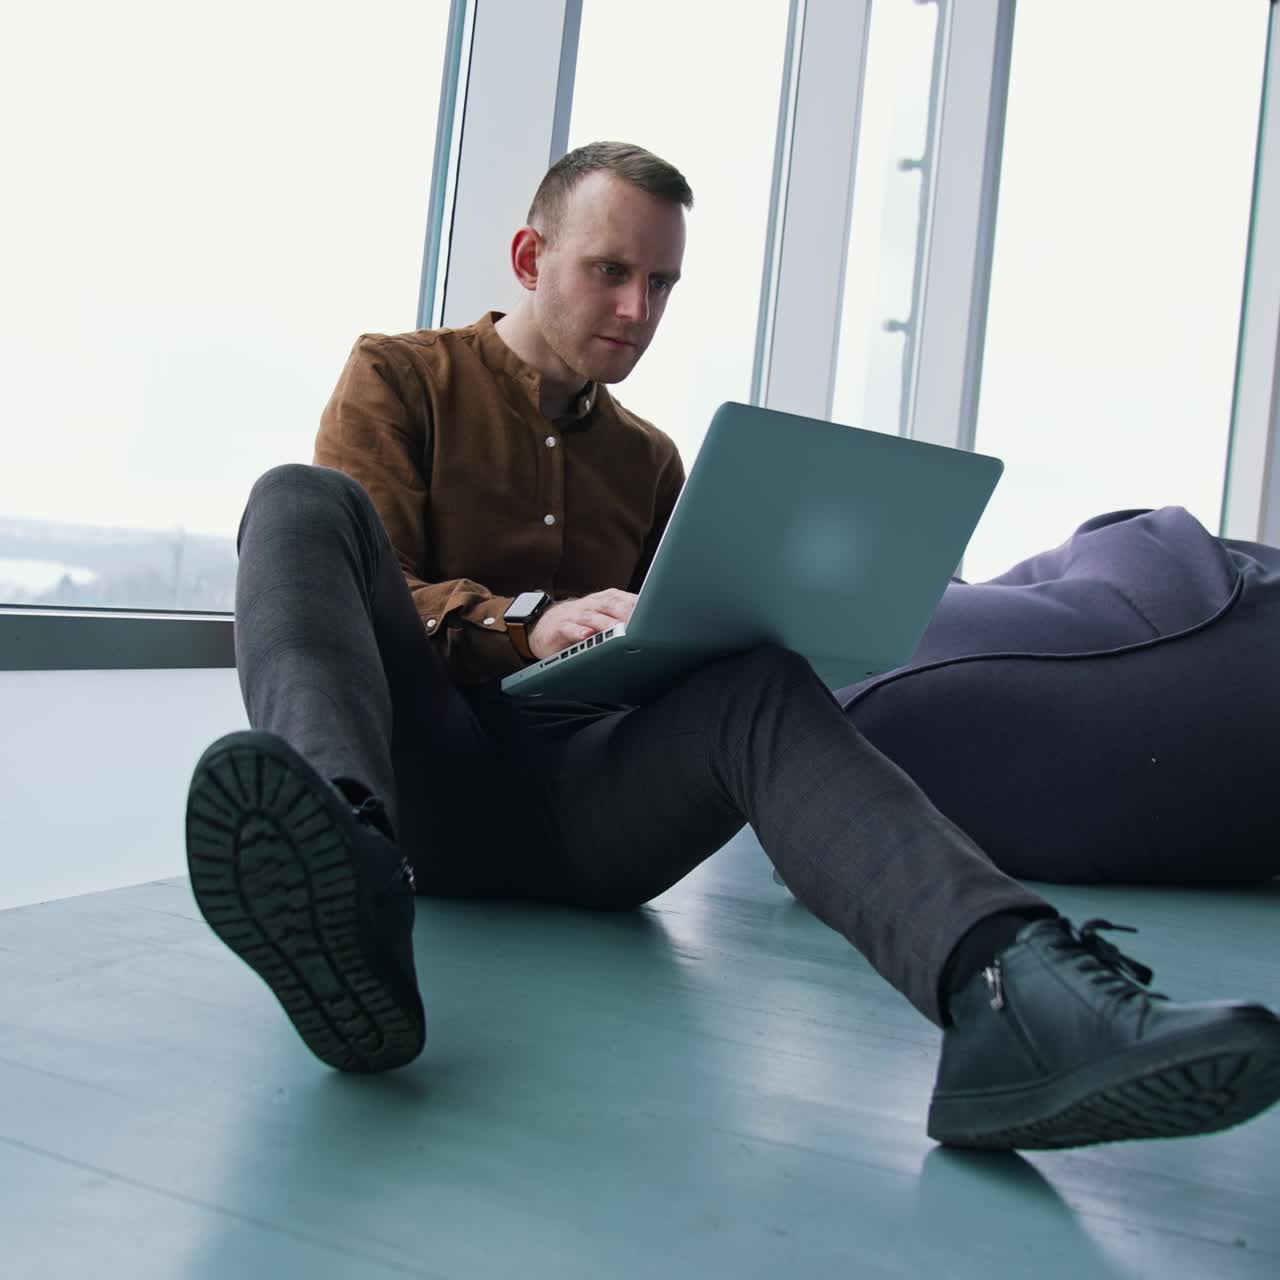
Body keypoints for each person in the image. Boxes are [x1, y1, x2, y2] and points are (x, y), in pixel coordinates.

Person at [185, 141, 1280, 1150]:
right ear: (529, 256)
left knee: (755, 678)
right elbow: (382, 588)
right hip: (422, 789)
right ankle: (344, 882)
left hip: (583, 811)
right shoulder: (400, 376)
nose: (635, 308)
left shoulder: (654, 459)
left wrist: (787, 627)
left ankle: (1012, 994)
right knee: (297, 500)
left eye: (659, 286)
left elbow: (683, 656)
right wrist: (527, 622)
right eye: (610, 273)